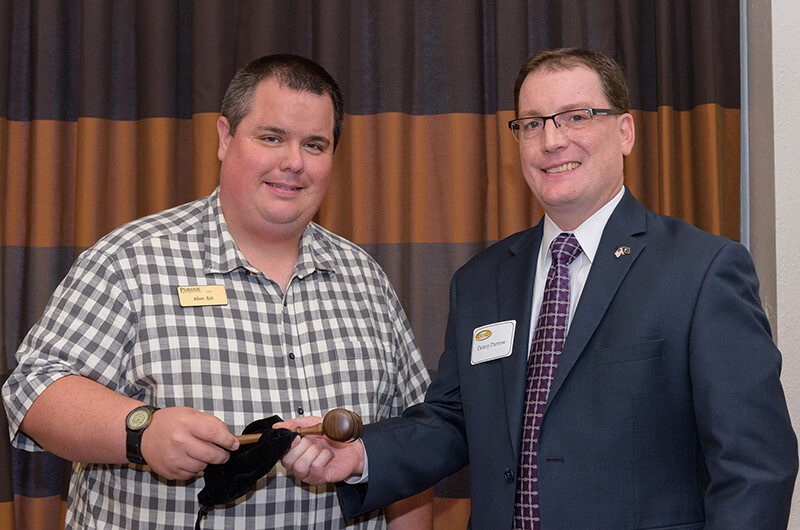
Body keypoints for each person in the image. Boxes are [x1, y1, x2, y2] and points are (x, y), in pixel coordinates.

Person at [278, 48, 798, 529]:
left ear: (624, 132)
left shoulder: (702, 270)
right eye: (532, 124)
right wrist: (362, 454)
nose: (551, 140)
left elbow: (755, 466)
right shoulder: (482, 280)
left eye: (576, 116)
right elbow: (456, 422)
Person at [2, 54, 432, 529]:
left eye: (315, 145)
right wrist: (141, 430)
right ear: (225, 138)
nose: (293, 162)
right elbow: (33, 389)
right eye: (272, 138)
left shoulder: (365, 280)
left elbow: (411, 442)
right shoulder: (131, 259)